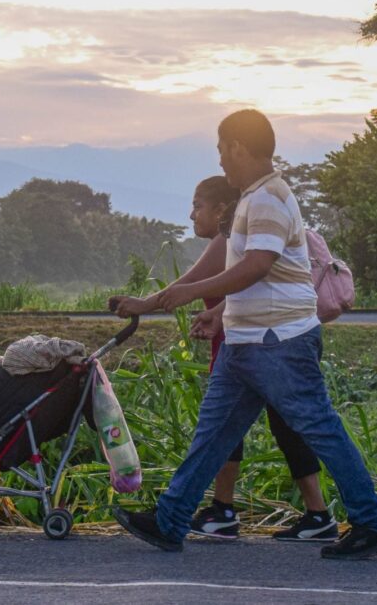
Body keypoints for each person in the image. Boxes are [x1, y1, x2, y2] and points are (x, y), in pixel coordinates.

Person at [112, 109, 377, 560]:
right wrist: (222, 312)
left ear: (239, 147)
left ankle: (372, 523)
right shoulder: (256, 197)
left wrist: (189, 294)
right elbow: (268, 273)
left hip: (277, 343)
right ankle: (170, 521)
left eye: (222, 150)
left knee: (321, 430)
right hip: (249, 342)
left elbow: (257, 266)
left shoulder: (267, 198)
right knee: (213, 435)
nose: (221, 160)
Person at [111, 176, 337, 542]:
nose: (191, 215)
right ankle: (310, 513)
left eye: (198, 205)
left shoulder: (227, 239)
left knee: (226, 426)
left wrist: (142, 305)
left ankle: (224, 510)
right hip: (256, 338)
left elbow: (188, 284)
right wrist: (214, 315)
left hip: (251, 343)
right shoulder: (240, 235)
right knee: (279, 426)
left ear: (220, 209)